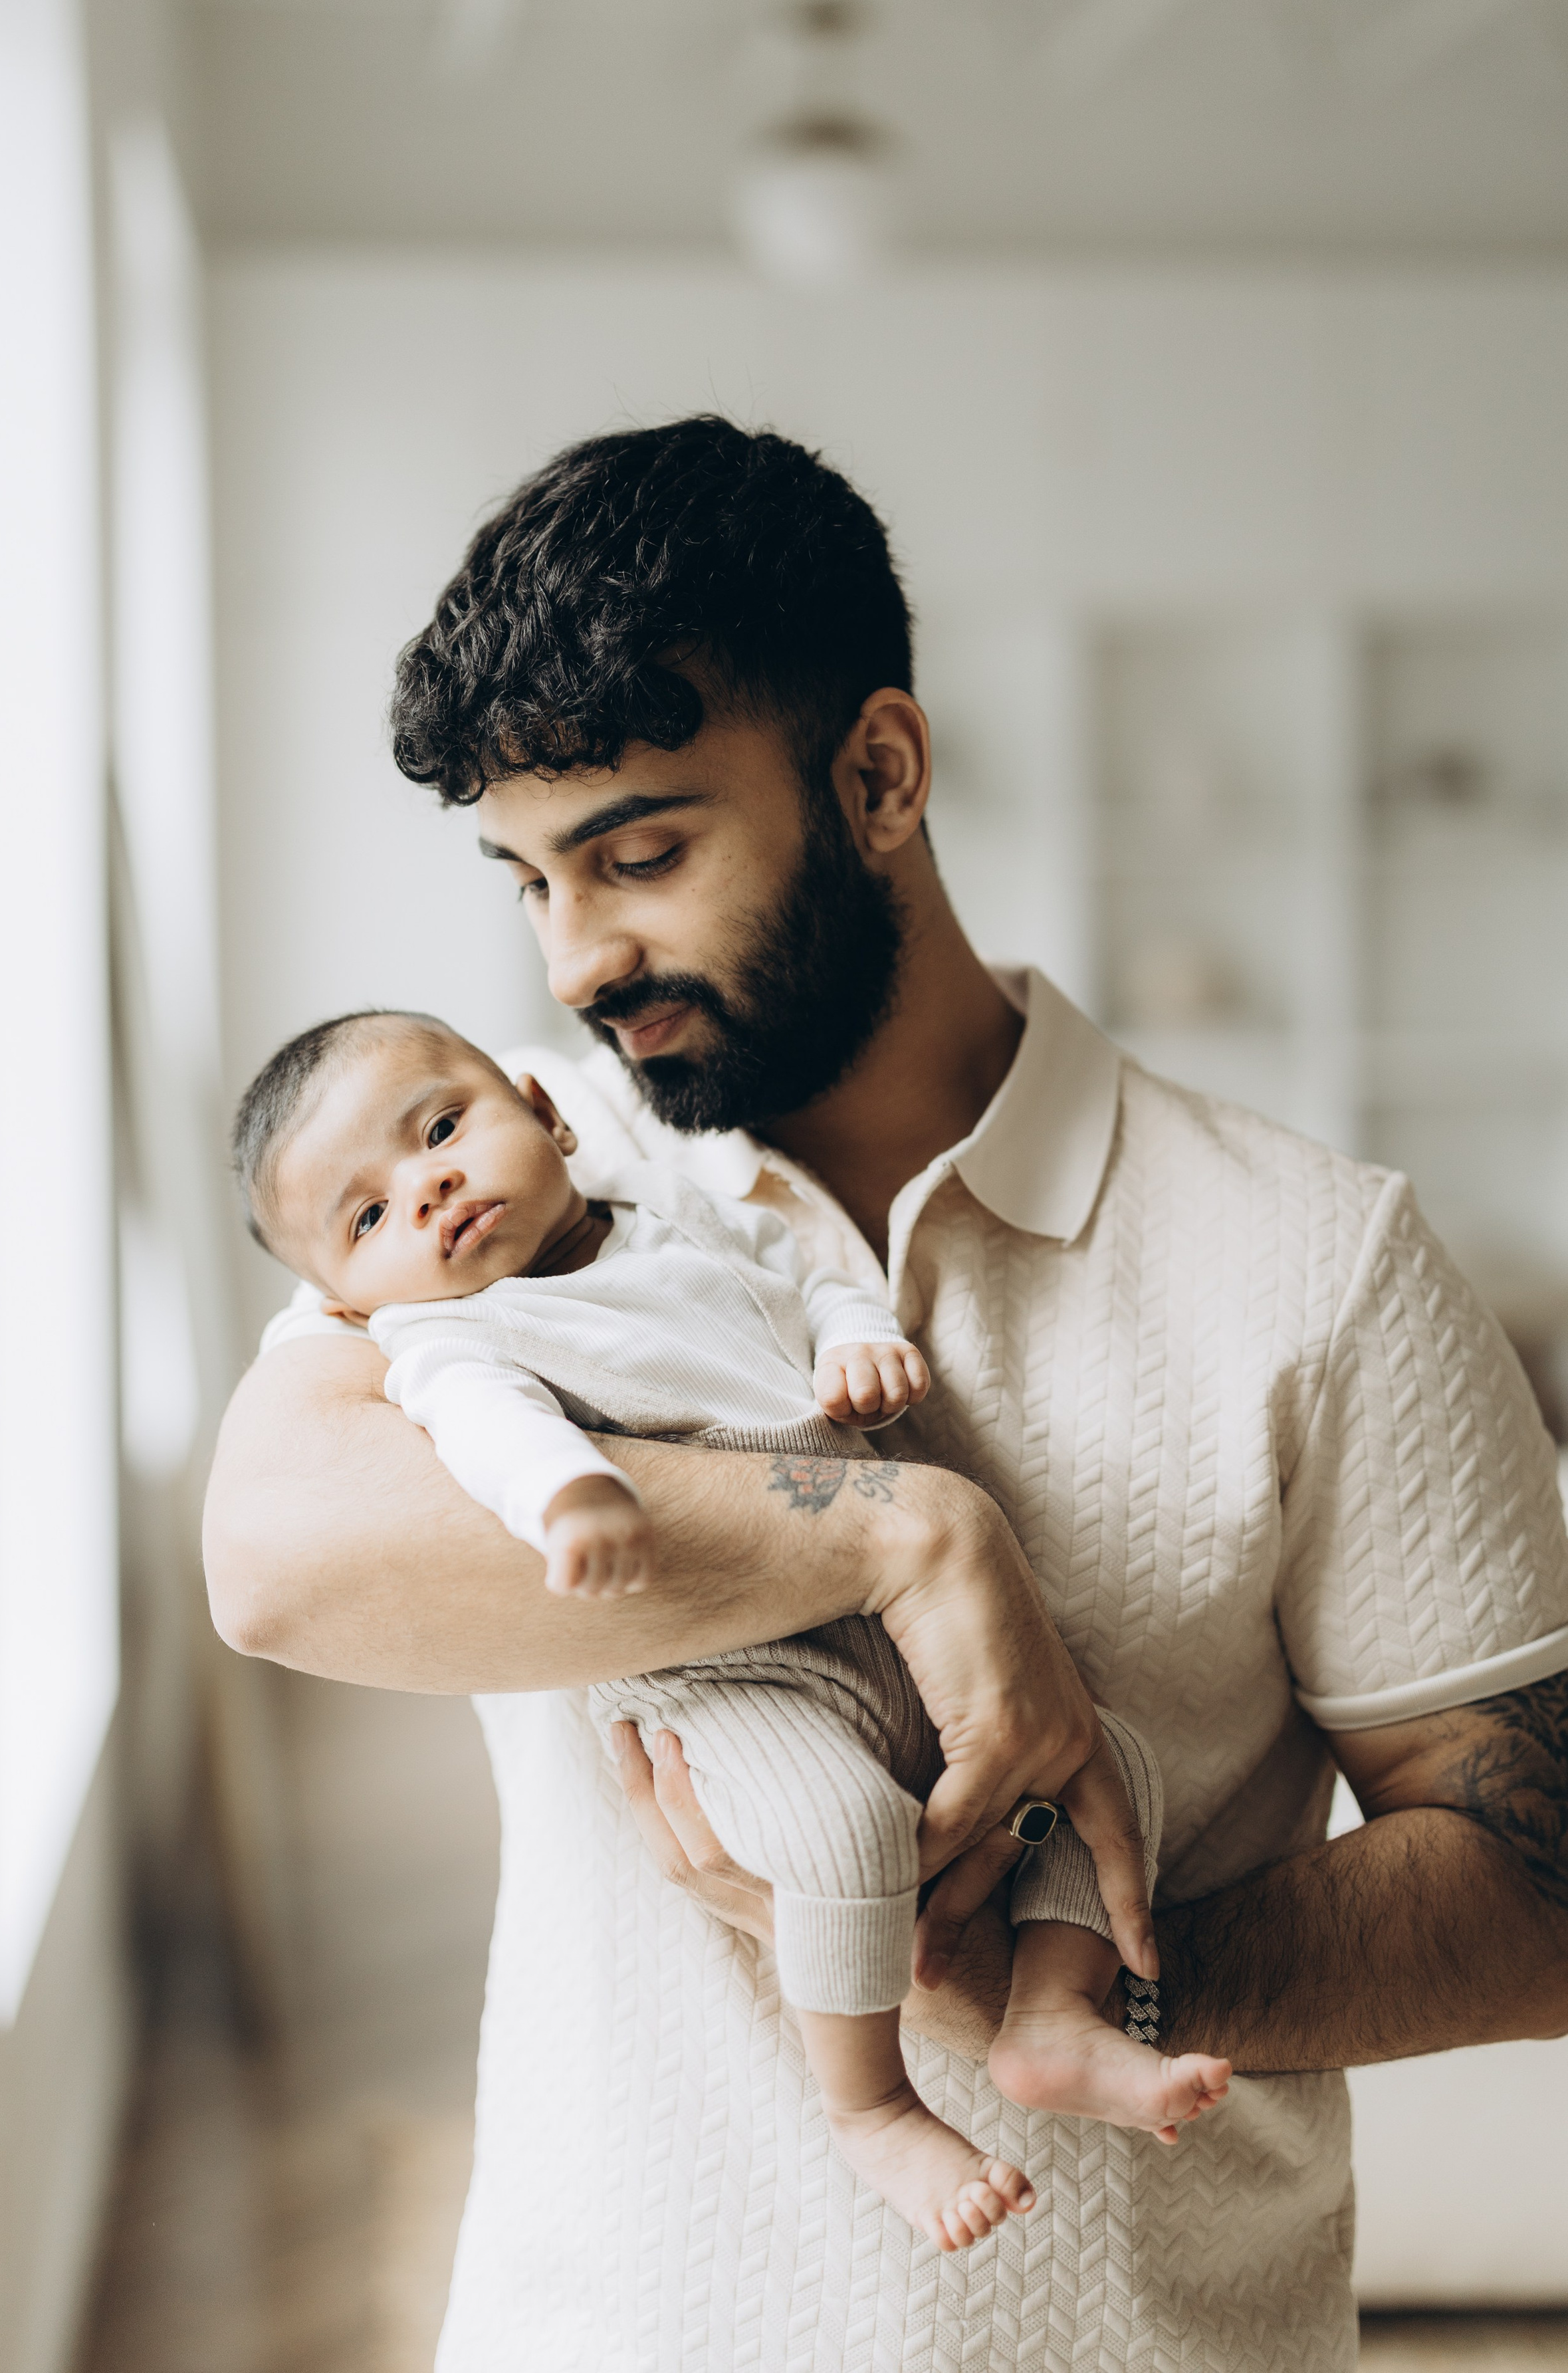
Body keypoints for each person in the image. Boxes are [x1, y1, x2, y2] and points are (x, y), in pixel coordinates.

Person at [205, 417, 1568, 2371]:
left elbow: (1539, 1879)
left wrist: (979, 1966)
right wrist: (916, 1534)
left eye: (643, 854)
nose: (581, 956)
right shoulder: (519, 1188)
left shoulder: (1315, 1261)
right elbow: (269, 1558)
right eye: (526, 882)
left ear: (879, 774)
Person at [227, 1005, 1232, 2249]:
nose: (427, 1191)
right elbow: (491, 1436)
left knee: (1102, 1762)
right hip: (726, 1669)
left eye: (442, 1130)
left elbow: (807, 1277)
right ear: (338, 1301)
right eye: (367, 1219)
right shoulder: (448, 1336)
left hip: (893, 1635)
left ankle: (1054, 2018)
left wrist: (860, 1340)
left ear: (545, 1115)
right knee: (842, 1824)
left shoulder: (673, 1217)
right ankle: (870, 2109)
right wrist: (575, 1495)